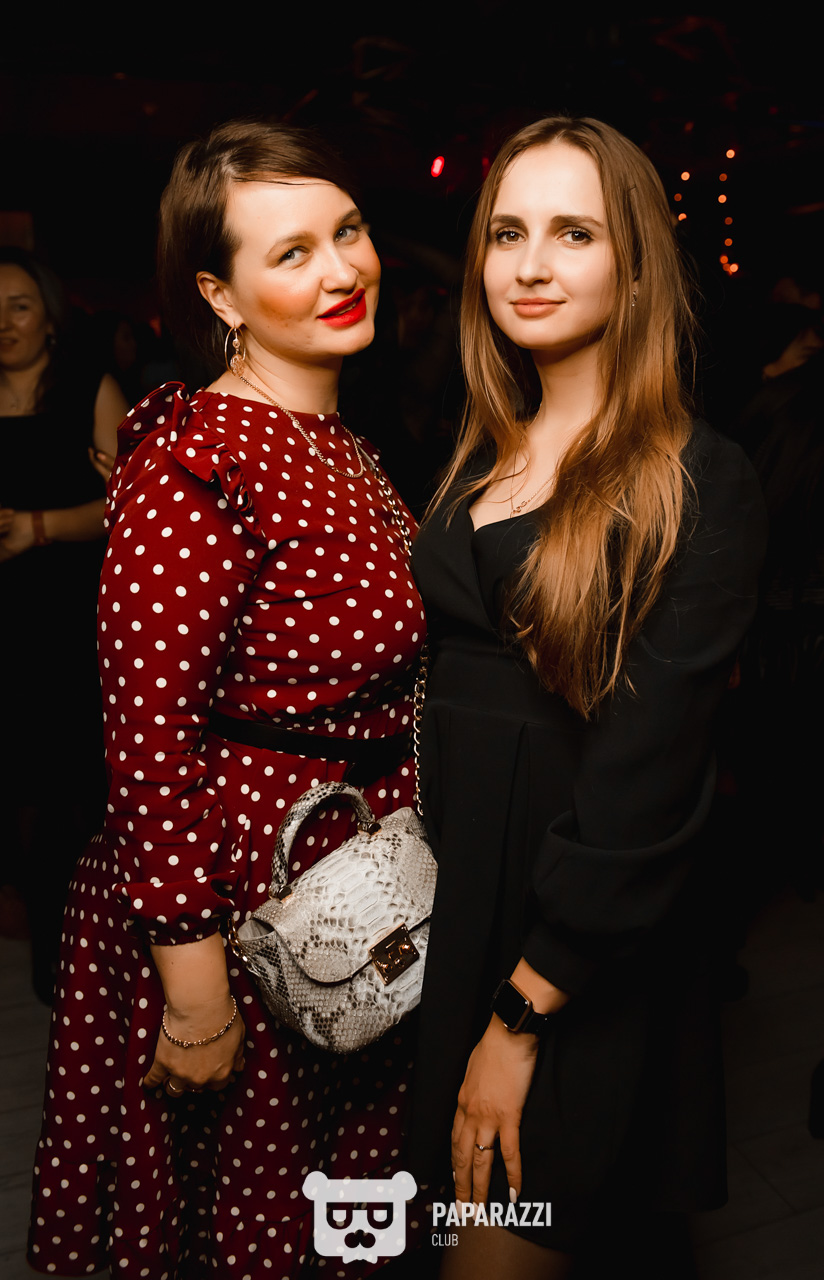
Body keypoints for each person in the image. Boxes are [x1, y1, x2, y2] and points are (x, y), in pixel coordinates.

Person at [29, 121, 426, 1278]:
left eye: (347, 230)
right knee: (241, 1217)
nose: (342, 268)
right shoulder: (195, 456)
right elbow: (147, 741)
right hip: (239, 897)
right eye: (291, 251)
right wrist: (195, 987)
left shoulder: (336, 437)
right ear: (220, 293)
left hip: (345, 885)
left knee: (335, 1213)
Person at [409, 117, 767, 1277]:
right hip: (455, 913)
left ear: (636, 266)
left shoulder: (694, 478)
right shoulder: (477, 451)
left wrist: (521, 1015)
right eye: (506, 232)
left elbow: (646, 780)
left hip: (569, 951)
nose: (530, 264)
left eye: (574, 233)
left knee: (498, 1237)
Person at [0, 248, 126, 999]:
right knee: (17, 787)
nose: (3, 321)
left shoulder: (89, 388)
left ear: (49, 315)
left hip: (72, 619)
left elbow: (129, 502)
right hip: (7, 622)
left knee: (72, 790)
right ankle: (45, 945)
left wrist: (36, 528)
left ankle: (80, 959)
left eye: (18, 305)